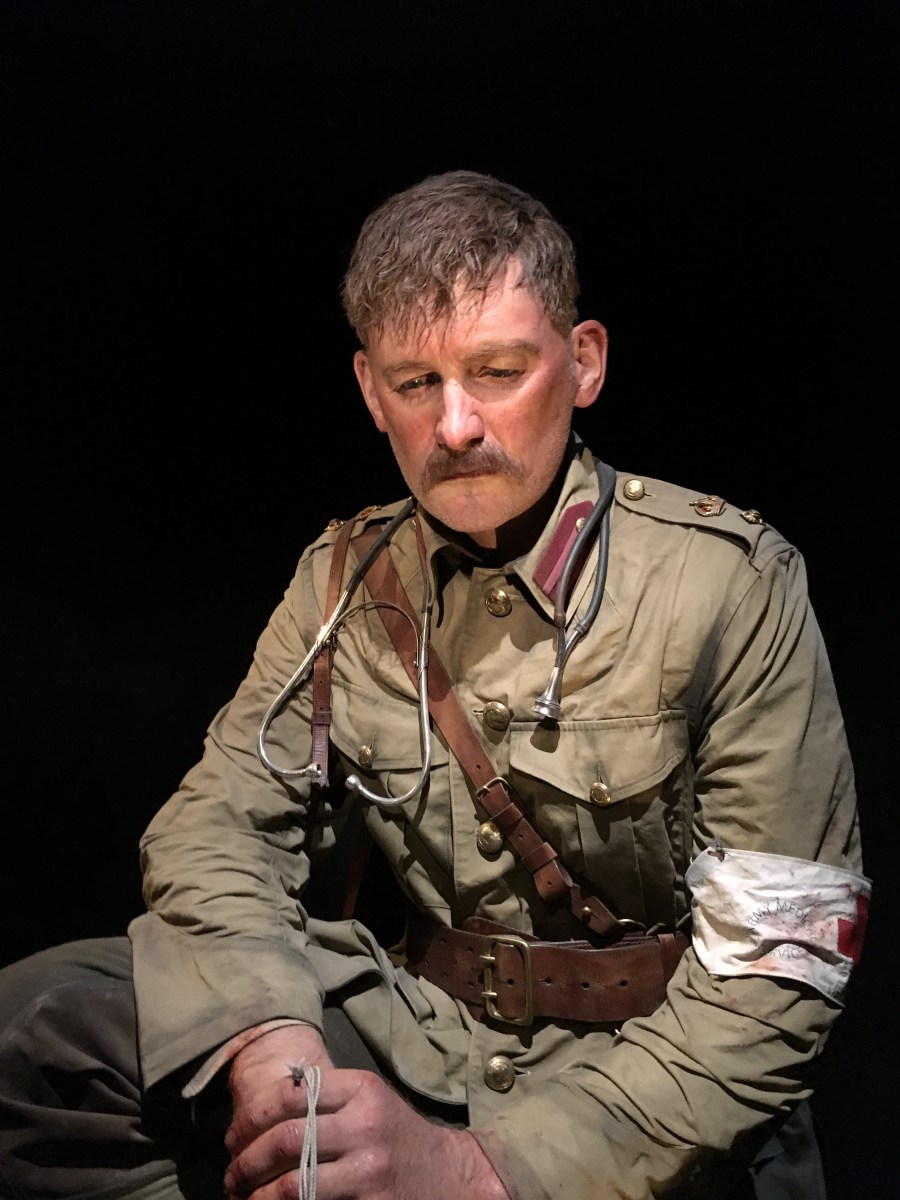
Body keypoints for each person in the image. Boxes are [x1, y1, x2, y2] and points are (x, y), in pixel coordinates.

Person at [0, 169, 870, 1200]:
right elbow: (216, 831)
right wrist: (270, 1046)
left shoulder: (726, 584)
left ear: (584, 363)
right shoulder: (346, 581)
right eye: (416, 383)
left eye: (497, 371)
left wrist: (474, 1172)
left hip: (649, 1090)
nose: (455, 425)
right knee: (43, 1022)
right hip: (419, 1042)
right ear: (371, 392)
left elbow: (773, 980)